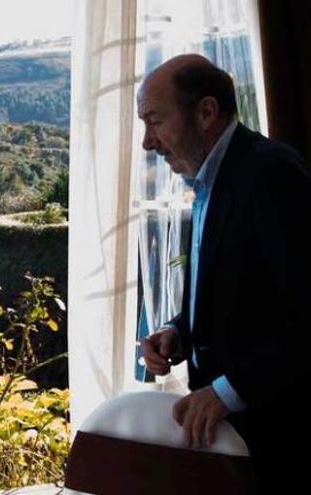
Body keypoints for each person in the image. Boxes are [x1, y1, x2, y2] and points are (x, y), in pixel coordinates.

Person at [139, 54, 311, 492]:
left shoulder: (271, 173)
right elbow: (243, 291)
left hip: (280, 435)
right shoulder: (210, 181)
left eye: (155, 121)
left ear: (206, 112)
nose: (147, 143)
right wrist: (179, 331)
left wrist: (227, 391)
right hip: (235, 439)